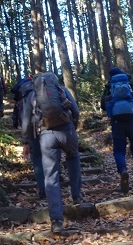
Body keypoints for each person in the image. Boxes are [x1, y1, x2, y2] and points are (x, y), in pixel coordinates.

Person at [22, 72, 82, 234]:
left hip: (47, 135)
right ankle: (76, 196)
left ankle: (56, 220)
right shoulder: (62, 90)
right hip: (67, 131)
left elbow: (26, 120)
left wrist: (26, 141)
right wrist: (72, 128)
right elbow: (75, 111)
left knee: (51, 177)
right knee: (73, 158)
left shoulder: (33, 96)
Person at [101, 67, 133, 193]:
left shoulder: (109, 87)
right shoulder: (130, 85)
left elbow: (103, 105)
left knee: (119, 150)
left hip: (117, 123)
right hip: (132, 121)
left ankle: (123, 170)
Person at [11, 77, 45, 199]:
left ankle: (42, 189)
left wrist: (25, 141)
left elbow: (25, 120)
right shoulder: (46, 91)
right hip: (49, 128)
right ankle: (54, 184)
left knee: (37, 159)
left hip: (33, 130)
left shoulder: (27, 95)